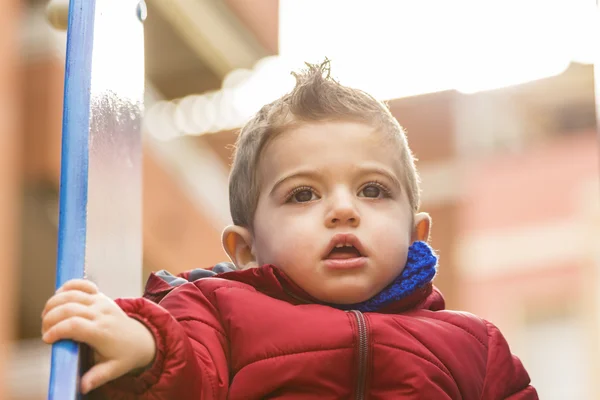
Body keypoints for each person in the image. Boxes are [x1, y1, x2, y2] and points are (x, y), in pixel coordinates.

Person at [41, 60, 538, 399]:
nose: (343, 210)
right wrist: (146, 351)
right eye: (303, 194)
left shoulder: (475, 345)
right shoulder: (214, 314)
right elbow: (190, 375)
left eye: (373, 191)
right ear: (245, 247)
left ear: (416, 235)